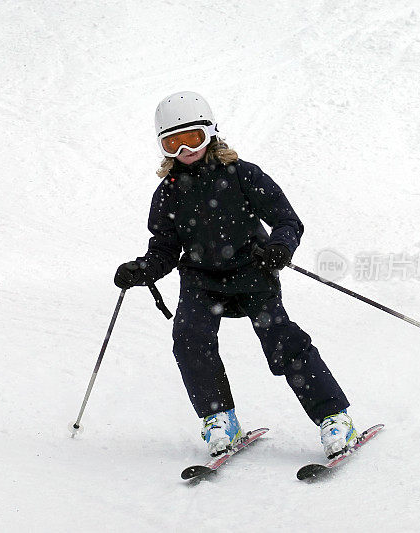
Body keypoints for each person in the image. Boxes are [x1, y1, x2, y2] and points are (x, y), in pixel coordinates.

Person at [114, 91, 358, 458]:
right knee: (189, 337)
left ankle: (334, 417)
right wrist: (144, 269)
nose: (185, 151)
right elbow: (164, 249)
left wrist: (279, 248)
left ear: (210, 132)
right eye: (172, 144)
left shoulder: (243, 175)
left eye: (192, 138)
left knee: (281, 339)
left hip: (253, 272)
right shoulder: (168, 193)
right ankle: (220, 420)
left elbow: (287, 221)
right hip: (201, 281)